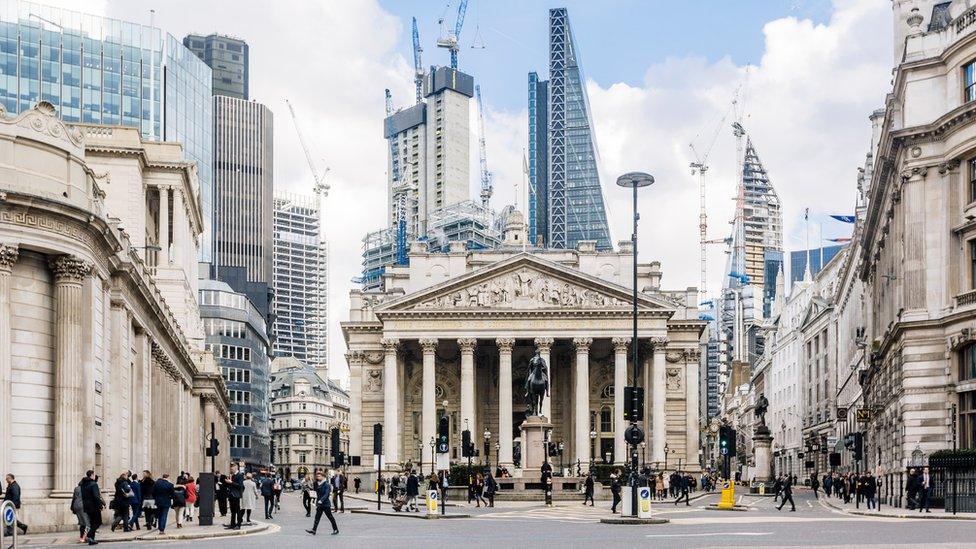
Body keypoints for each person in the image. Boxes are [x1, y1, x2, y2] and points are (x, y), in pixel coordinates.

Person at [306, 471, 338, 536]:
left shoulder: (327, 485)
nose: (318, 477)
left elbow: (327, 494)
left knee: (330, 517)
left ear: (323, 477)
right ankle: (314, 530)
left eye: (319, 476)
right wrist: (313, 497)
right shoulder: (317, 484)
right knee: (317, 517)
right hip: (319, 504)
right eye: (317, 476)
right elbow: (315, 492)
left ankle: (336, 529)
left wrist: (321, 500)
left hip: (325, 504)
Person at [81, 471, 105, 545]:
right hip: (94, 506)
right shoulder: (93, 484)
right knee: (98, 522)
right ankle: (89, 535)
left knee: (92, 523)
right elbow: (96, 496)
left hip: (87, 506)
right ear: (91, 475)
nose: (95, 476)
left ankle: (92, 539)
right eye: (94, 475)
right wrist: (100, 505)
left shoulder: (83, 484)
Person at [225, 464, 245, 529]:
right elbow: (231, 485)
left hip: (236, 495)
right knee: (232, 511)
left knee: (237, 510)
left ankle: (238, 525)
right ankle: (232, 524)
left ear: (236, 468)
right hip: (231, 495)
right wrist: (228, 482)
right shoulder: (233, 475)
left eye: (232, 469)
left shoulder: (240, 475)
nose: (231, 470)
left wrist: (231, 482)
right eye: (231, 469)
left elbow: (240, 486)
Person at [71, 477, 91, 542]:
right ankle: (84, 538)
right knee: (87, 523)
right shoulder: (86, 488)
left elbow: (74, 498)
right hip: (83, 506)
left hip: (76, 506)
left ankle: (81, 537)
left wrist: (72, 507)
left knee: (82, 523)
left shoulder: (76, 488)